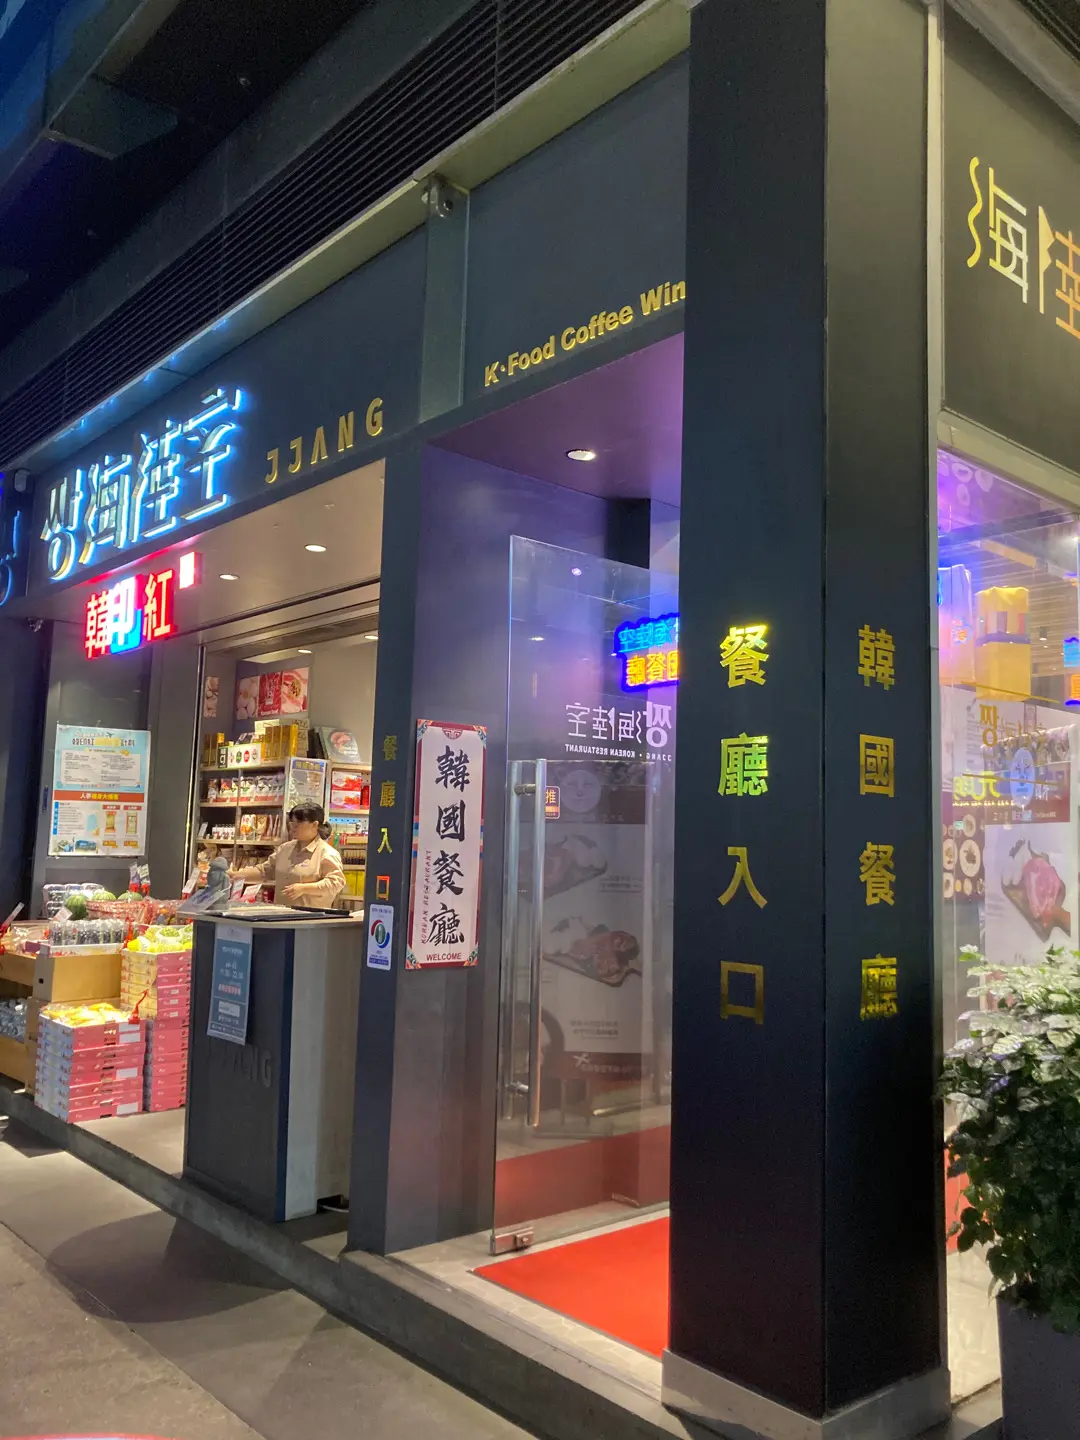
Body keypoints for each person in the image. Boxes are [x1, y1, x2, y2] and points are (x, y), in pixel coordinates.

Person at [230, 803, 345, 909]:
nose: (293, 827)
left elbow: (336, 883)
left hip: (311, 918)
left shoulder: (326, 853)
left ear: (314, 825)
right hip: (281, 915)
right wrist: (235, 875)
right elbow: (265, 871)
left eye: (298, 823)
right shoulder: (285, 849)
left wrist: (304, 888)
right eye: (291, 823)